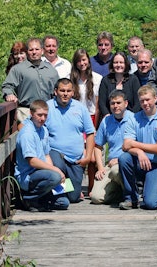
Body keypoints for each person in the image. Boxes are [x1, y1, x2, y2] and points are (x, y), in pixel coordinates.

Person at [118, 85, 157, 210]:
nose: (145, 103)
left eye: (148, 99)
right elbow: (126, 145)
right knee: (124, 158)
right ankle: (131, 198)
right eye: (142, 100)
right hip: (142, 161)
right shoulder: (134, 118)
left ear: (155, 98)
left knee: (151, 203)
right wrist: (139, 152)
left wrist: (135, 145)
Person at [45, 78, 95, 203]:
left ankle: (62, 194)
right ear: (56, 91)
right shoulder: (47, 107)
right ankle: (58, 197)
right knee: (58, 166)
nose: (65, 94)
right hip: (55, 152)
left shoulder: (80, 108)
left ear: (73, 92)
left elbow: (90, 133)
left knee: (74, 197)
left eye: (68, 91)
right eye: (62, 90)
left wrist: (88, 156)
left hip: (75, 158)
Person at [14, 100, 70, 211]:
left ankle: (41, 199)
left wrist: (55, 172)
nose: (43, 119)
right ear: (31, 114)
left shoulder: (43, 129)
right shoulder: (27, 133)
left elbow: (46, 155)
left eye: (45, 115)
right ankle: (28, 198)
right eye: (39, 115)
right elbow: (32, 161)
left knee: (64, 202)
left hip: (42, 173)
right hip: (28, 176)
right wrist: (56, 171)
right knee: (55, 176)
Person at [2, 37, 59, 129]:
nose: (34, 52)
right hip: (26, 112)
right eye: (31, 49)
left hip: (47, 112)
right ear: (27, 52)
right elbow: (7, 86)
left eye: (37, 49)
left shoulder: (51, 70)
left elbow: (57, 90)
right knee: (29, 139)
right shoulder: (18, 69)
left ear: (42, 51)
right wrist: (9, 94)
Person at [70, 48, 103, 193]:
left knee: (93, 158)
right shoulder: (71, 79)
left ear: (88, 61)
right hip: (75, 118)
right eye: (79, 60)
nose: (82, 63)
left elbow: (97, 105)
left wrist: (94, 127)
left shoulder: (97, 78)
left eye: (84, 60)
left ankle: (91, 187)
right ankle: (75, 189)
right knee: (77, 153)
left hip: (91, 118)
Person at [90, 90, 132, 204]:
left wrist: (120, 160)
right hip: (110, 164)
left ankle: (132, 194)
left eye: (118, 103)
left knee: (115, 170)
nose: (115, 106)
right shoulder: (106, 121)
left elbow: (140, 147)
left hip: (128, 163)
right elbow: (98, 146)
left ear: (126, 103)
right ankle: (120, 192)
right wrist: (100, 167)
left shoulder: (134, 120)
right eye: (112, 103)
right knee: (96, 198)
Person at [98, 51, 141, 121]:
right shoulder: (106, 80)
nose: (118, 65)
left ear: (126, 64)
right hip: (111, 119)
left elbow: (138, 102)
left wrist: (131, 117)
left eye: (121, 62)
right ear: (112, 64)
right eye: (116, 62)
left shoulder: (133, 79)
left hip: (131, 119)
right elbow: (102, 102)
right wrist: (107, 116)